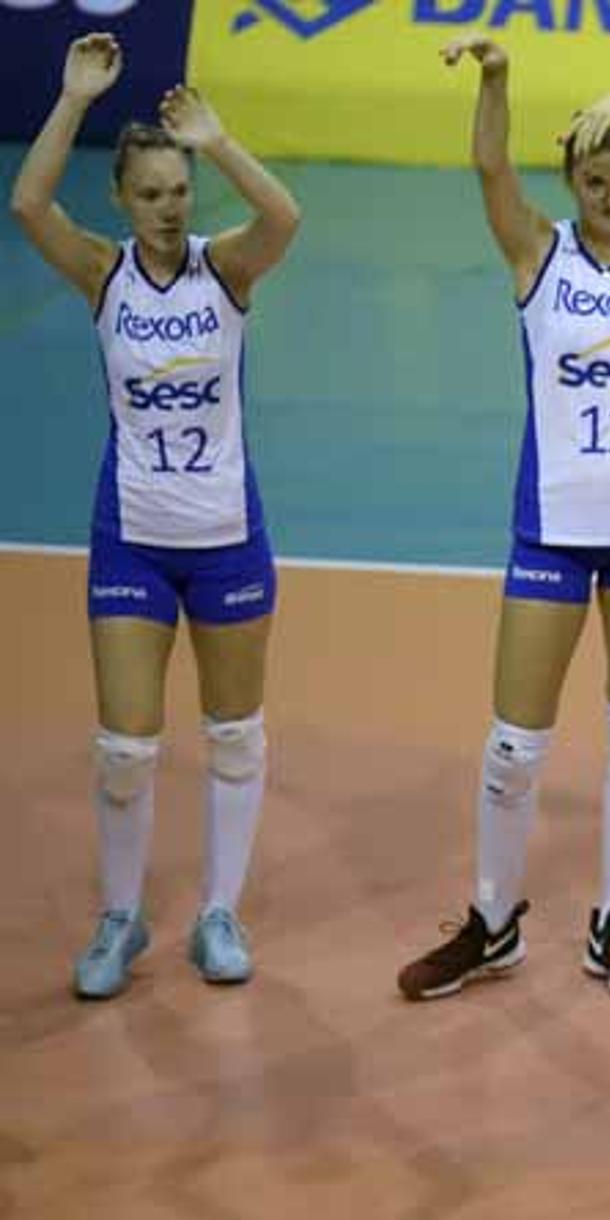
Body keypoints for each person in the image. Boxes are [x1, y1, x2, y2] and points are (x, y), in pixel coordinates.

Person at [397, 36, 610, 1003]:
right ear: (574, 180)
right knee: (514, 744)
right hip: (549, 527)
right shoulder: (535, 254)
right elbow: (490, 166)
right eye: (596, 178)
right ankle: (493, 921)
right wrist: (499, 80)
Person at [11, 34, 302, 998]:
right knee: (127, 750)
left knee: (232, 734)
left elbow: (284, 215)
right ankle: (121, 919)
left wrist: (217, 143)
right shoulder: (104, 275)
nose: (171, 208)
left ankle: (219, 914)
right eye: (152, 194)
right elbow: (25, 203)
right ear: (123, 200)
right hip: (132, 533)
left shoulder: (228, 271)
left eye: (179, 191)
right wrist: (72, 99)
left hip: (226, 536)